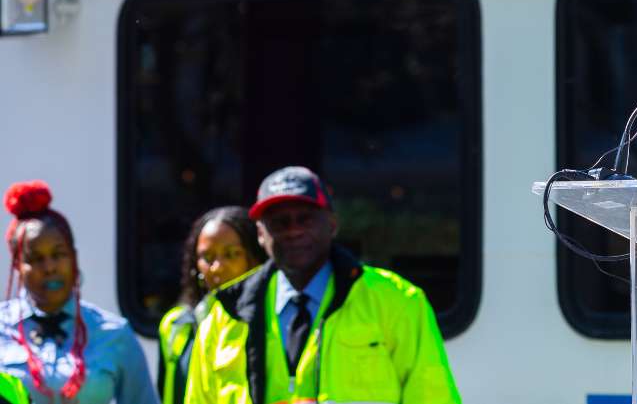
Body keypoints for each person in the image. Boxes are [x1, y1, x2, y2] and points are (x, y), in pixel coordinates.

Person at [185, 166, 460, 404]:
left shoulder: (397, 302)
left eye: (305, 218)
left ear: (332, 224)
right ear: (260, 234)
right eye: (279, 222)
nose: (293, 230)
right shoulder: (223, 319)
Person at [0, 181, 159, 404]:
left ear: (74, 258)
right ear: (17, 266)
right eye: (36, 259)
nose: (50, 268)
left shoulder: (115, 333)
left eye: (59, 254)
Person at [159, 206, 268, 404]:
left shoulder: (271, 317)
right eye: (207, 258)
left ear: (254, 257)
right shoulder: (175, 325)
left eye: (232, 254)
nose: (218, 267)